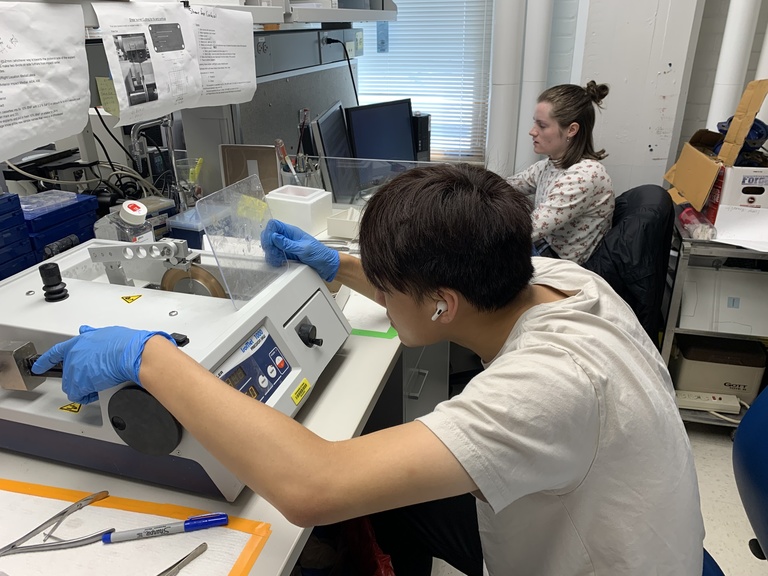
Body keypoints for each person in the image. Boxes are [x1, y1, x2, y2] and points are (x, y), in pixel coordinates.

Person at [32, 163, 704, 575]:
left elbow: (313, 485)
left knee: (346, 498)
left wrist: (148, 357)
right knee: (392, 510)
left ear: (443, 304)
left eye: (385, 287)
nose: (375, 294)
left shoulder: (547, 387)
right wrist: (337, 262)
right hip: (593, 516)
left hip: (607, 563)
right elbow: (434, 289)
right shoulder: (555, 278)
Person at [508, 80, 614, 264]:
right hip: (542, 246)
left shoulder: (585, 175)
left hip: (558, 263)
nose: (532, 132)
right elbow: (508, 186)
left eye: (542, 125)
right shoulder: (551, 164)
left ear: (571, 130)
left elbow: (527, 231)